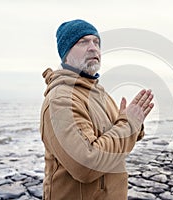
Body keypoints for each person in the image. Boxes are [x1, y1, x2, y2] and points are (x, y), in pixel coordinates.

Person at [40, 19, 154, 200]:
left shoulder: (99, 93)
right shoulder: (61, 100)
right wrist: (128, 124)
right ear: (66, 54)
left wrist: (135, 124)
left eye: (96, 42)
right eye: (83, 42)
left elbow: (118, 137)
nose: (93, 47)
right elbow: (86, 164)